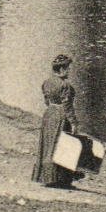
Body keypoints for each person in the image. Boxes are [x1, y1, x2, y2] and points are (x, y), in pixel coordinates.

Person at [32, 53, 79, 188]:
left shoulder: (47, 82)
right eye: (68, 68)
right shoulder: (65, 86)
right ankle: (61, 180)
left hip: (49, 114)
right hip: (61, 116)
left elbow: (47, 101)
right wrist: (74, 122)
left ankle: (46, 177)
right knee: (63, 145)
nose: (69, 71)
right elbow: (67, 106)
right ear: (61, 69)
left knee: (48, 144)